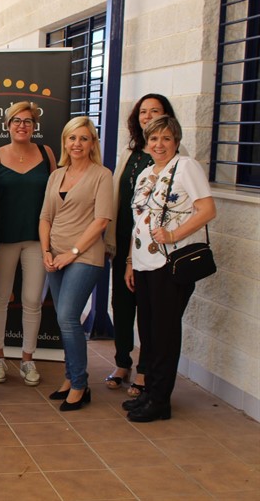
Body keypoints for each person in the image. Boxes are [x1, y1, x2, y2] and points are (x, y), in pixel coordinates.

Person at [123, 115, 216, 422]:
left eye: (166, 138)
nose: (159, 144)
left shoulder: (186, 167)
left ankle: (160, 400)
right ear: (146, 142)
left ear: (176, 141)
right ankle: (150, 391)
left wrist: (174, 234)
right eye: (153, 138)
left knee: (164, 332)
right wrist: (130, 262)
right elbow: (139, 222)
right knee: (148, 331)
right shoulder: (145, 173)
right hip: (144, 263)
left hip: (170, 263)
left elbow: (207, 210)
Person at [104, 94, 177, 398]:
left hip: (153, 247)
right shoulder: (130, 151)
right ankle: (122, 363)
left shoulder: (174, 155)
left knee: (148, 310)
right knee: (121, 304)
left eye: (154, 111)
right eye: (143, 112)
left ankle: (145, 369)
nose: (148, 116)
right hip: (125, 241)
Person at [39, 116, 113, 412]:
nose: (77, 144)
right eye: (72, 138)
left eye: (84, 138)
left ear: (93, 143)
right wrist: (46, 251)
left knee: (69, 317)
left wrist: (72, 252)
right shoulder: (56, 175)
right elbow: (45, 217)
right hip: (55, 256)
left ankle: (80, 384)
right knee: (63, 318)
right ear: (65, 142)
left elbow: (102, 220)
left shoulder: (102, 175)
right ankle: (70, 378)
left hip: (84, 256)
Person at [0, 102, 57, 386]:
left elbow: (56, 195)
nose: (22, 126)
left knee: (32, 300)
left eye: (28, 121)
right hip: (3, 240)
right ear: (7, 125)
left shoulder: (46, 152)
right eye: (16, 121)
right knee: (0, 296)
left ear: (34, 126)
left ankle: (28, 359)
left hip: (37, 240)